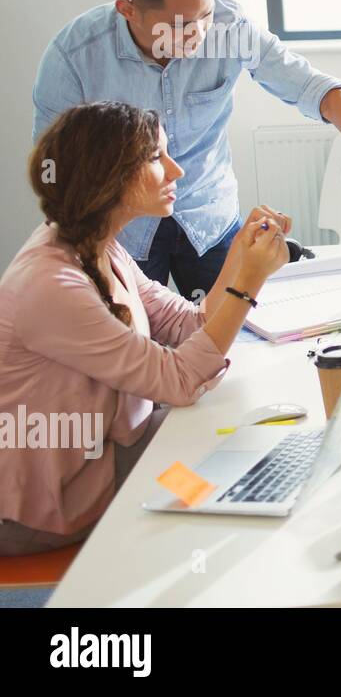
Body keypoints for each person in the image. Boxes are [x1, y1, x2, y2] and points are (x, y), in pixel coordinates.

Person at [32, 0, 341, 302]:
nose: (200, 33)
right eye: (181, 25)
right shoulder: (75, 55)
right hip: (124, 231)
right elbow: (56, 168)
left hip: (208, 220)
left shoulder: (228, 27)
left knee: (231, 339)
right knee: (136, 347)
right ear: (129, 10)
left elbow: (312, 88)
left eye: (204, 15)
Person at [0, 102, 290, 555]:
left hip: (106, 452)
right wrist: (249, 282)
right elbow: (177, 379)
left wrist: (239, 252)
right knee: (226, 467)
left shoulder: (98, 244)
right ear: (109, 176)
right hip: (52, 498)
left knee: (243, 432)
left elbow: (187, 321)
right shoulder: (51, 284)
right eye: (156, 158)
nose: (175, 169)